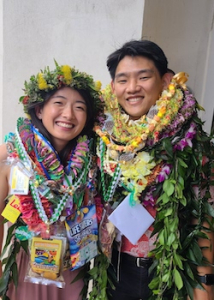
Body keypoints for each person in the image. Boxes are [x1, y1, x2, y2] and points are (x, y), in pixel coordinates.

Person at [92, 40, 214, 300]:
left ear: (167, 81)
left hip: (171, 274)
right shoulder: (103, 138)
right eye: (123, 80)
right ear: (113, 87)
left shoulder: (191, 143)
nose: (132, 88)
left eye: (144, 77)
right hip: (114, 273)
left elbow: (203, 221)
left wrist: (205, 286)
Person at [0, 62, 103, 300]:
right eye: (59, 103)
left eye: (79, 107)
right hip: (24, 264)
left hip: (72, 265)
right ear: (39, 110)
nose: (68, 114)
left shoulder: (93, 160)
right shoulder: (14, 157)